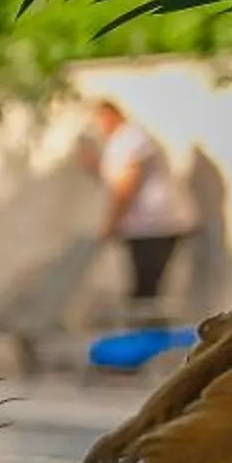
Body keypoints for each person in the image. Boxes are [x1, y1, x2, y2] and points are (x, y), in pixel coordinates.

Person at [88, 100, 199, 321]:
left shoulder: (130, 138)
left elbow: (127, 185)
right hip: (146, 226)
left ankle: (148, 338)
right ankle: (146, 330)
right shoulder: (121, 141)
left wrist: (110, 223)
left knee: (146, 289)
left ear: (110, 116)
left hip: (156, 224)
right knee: (144, 288)